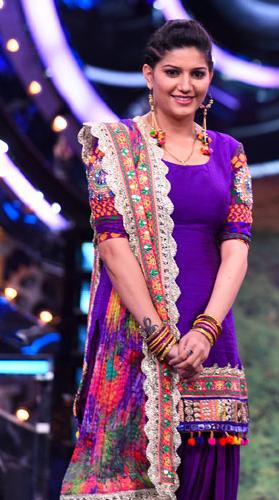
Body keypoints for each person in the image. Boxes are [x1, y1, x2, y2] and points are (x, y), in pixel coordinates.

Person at [60, 20, 252, 500]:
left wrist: (206, 329)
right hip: (134, 337)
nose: (185, 85)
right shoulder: (112, 147)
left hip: (209, 344)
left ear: (210, 79)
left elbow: (237, 246)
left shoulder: (230, 154)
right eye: (172, 72)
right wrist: (157, 333)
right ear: (149, 74)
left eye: (197, 74)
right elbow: (112, 243)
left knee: (206, 475)